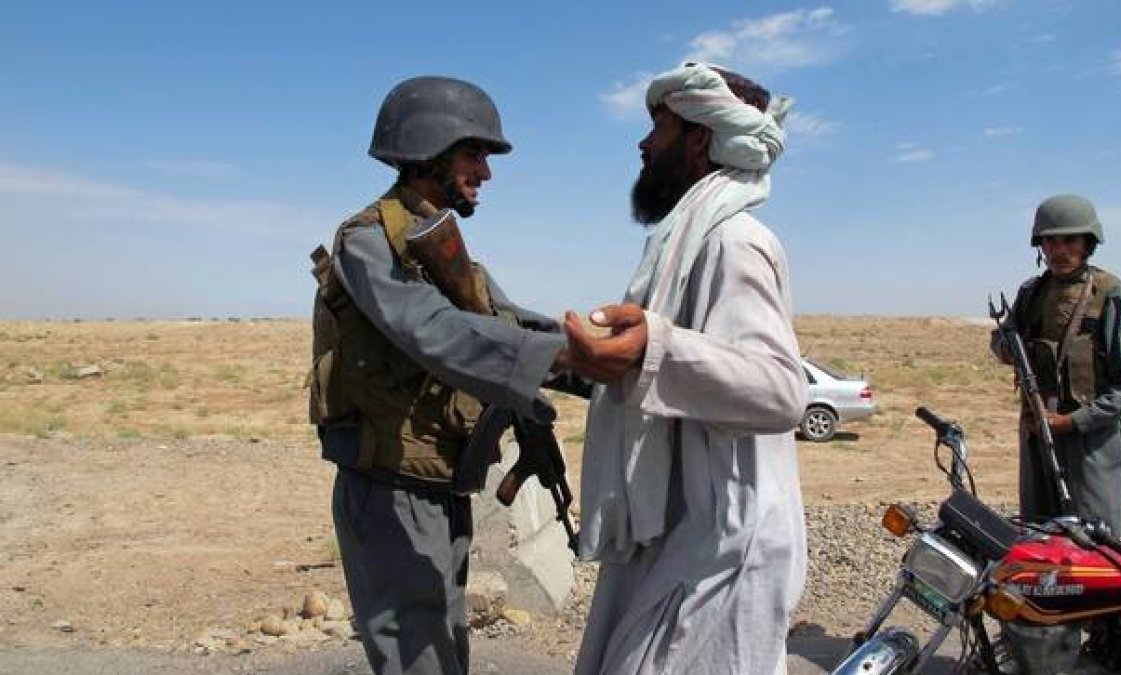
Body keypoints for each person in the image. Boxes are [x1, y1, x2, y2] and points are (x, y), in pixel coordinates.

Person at [308, 76, 576, 675]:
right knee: (418, 660)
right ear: (430, 149)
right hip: (389, 486)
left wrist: (610, 361)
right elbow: (436, 333)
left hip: (435, 483)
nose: (486, 172)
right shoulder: (369, 241)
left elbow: (509, 324)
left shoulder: (442, 248)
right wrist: (568, 358)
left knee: (442, 650)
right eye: (474, 153)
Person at [560, 62, 809, 675]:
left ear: (700, 138)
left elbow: (781, 390)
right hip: (688, 531)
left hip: (727, 542)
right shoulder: (690, 240)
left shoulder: (732, 242)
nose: (643, 145)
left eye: (660, 127)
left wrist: (654, 349)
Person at [990, 194, 1121, 674]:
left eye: (1070, 240)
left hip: (1090, 445)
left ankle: (1115, 651)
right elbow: (1003, 341)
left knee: (1099, 552)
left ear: (1088, 242)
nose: (1060, 250)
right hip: (1039, 438)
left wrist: (1073, 421)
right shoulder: (1031, 292)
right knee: (1041, 549)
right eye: (1051, 240)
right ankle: (1046, 654)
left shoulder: (1112, 295)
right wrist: (1005, 346)